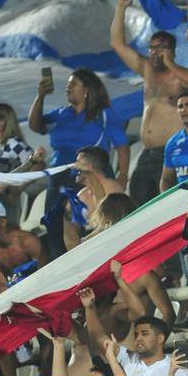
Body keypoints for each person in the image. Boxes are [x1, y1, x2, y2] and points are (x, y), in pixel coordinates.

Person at [28, 68, 129, 257]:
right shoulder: (61, 114)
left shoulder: (103, 114)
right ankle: (66, 271)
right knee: (56, 225)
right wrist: (40, 96)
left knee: (98, 221)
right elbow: (36, 125)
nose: (67, 88)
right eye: (67, 85)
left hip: (92, 174)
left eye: (73, 84)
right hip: (60, 178)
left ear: (87, 90)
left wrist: (123, 176)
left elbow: (122, 146)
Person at [109, 0, 188, 203]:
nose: (155, 52)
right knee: (138, 204)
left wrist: (170, 63)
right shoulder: (147, 70)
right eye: (152, 48)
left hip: (171, 154)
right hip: (146, 152)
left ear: (172, 51)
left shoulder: (180, 77)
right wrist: (121, 7)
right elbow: (117, 44)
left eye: (161, 48)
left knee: (168, 206)